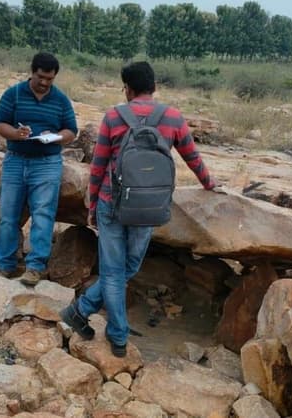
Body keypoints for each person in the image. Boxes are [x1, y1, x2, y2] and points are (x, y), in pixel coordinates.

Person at [60, 61, 219, 357]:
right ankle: (115, 333)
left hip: (112, 203)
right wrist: (209, 184)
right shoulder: (172, 117)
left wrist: (92, 204)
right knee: (126, 268)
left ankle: (82, 312)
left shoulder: (113, 117)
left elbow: (98, 166)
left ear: (128, 89)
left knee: (113, 271)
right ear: (154, 87)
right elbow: (191, 157)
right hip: (149, 206)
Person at [0, 52, 78, 286]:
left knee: (43, 214)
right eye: (41, 77)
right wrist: (16, 134)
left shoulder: (60, 100)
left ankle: (35, 267)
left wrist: (57, 137)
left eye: (49, 79)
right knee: (9, 216)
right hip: (16, 160)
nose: (44, 83)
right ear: (32, 72)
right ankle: (5, 265)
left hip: (47, 163)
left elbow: (72, 130)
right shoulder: (14, 93)